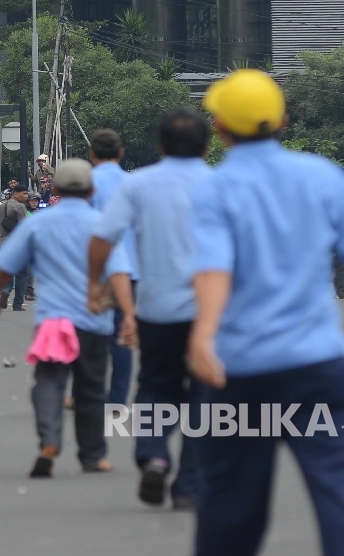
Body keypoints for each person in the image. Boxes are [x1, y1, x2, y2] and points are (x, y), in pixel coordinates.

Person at [187, 69, 344, 556]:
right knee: (336, 490)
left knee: (230, 504)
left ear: (219, 127)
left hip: (239, 373)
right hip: (315, 365)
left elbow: (214, 270)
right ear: (281, 119)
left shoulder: (214, 190)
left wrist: (204, 334)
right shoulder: (322, 175)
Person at [0, 158, 136, 478]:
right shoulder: (103, 225)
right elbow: (119, 272)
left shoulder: (39, 224)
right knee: (91, 388)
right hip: (95, 321)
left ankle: (49, 442)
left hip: (54, 322)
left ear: (54, 188)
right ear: (92, 190)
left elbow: (6, 264)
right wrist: (130, 315)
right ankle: (93, 456)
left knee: (49, 382)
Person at [89, 114, 211, 510]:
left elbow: (103, 238)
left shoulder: (138, 184)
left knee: (157, 386)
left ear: (158, 147)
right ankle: (189, 485)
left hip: (157, 309)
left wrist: (94, 283)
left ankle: (154, 455)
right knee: (204, 398)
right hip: (211, 312)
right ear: (207, 146)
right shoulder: (224, 185)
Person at [86, 128, 141, 411]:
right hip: (131, 271)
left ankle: (89, 393)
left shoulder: (88, 184)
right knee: (122, 334)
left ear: (91, 153)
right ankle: (118, 399)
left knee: (91, 333)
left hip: (97, 269)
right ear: (121, 153)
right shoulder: (135, 184)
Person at [0, 184, 29, 311]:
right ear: (15, 193)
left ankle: (5, 292)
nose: (26, 196)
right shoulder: (20, 207)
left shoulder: (1, 206)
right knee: (22, 274)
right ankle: (18, 304)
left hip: (3, 243)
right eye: (23, 194)